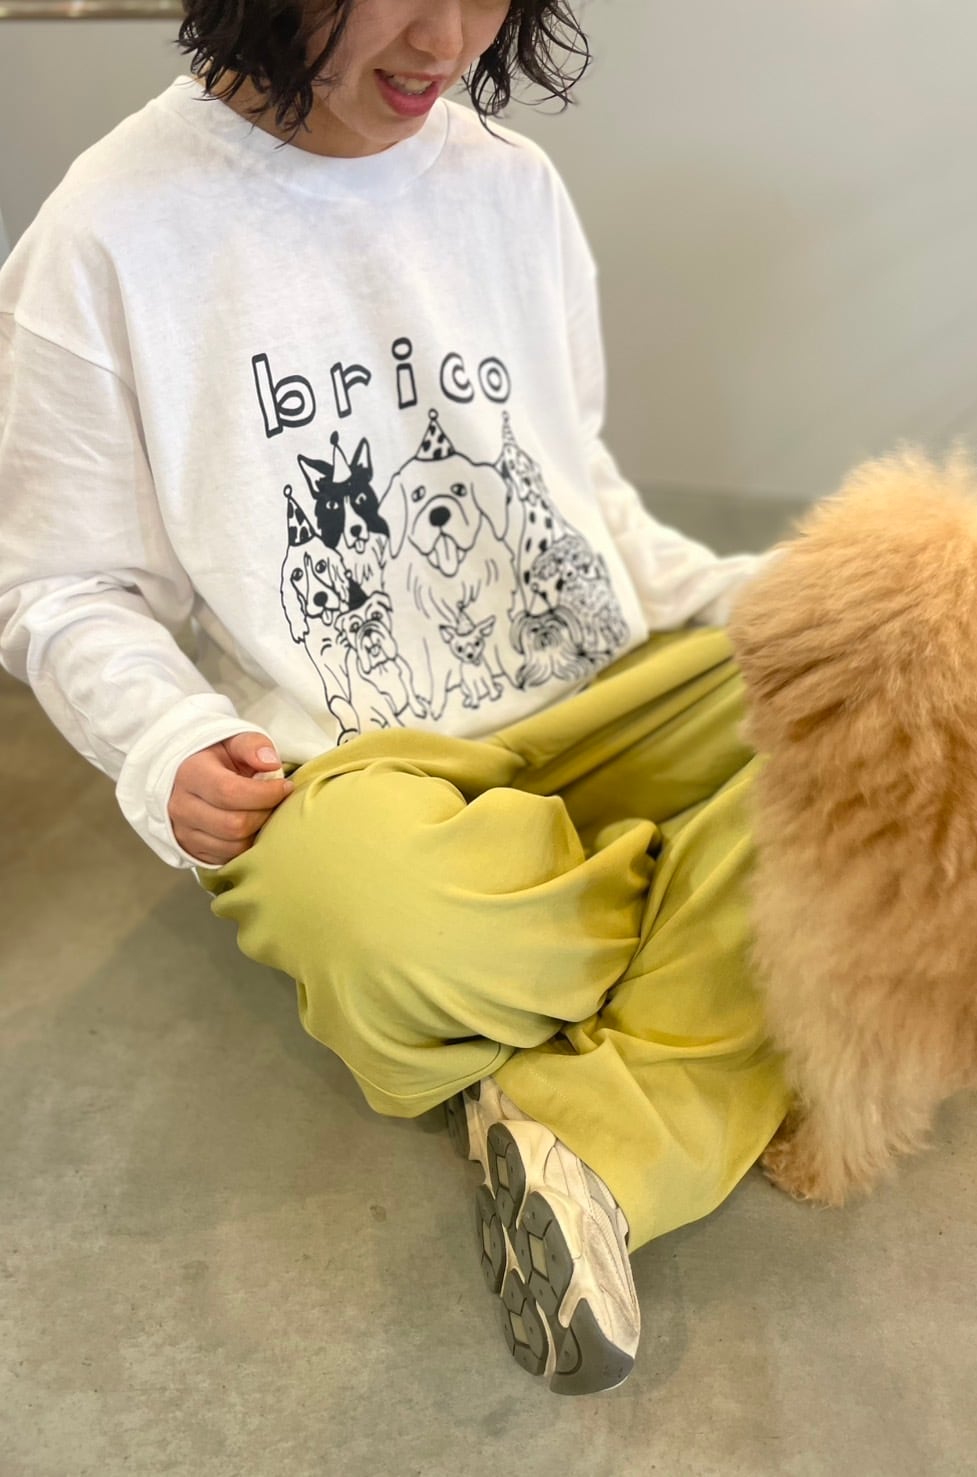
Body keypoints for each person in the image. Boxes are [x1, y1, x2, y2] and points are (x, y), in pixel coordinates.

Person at [0, 0, 789, 1394]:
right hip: (357, 770)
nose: (447, 39)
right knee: (372, 914)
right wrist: (166, 738)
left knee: (897, 717)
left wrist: (746, 601)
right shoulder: (110, 230)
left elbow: (572, 477)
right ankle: (681, 997)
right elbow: (57, 583)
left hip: (604, 688)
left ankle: (565, 1078)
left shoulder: (509, 185)